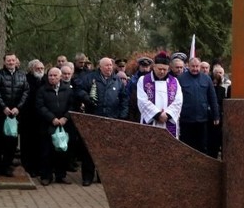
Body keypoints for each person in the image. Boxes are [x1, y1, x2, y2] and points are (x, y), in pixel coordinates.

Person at [75, 57, 127, 185]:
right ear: (100, 67)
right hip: (93, 118)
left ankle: (102, 176)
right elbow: (79, 90)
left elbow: (124, 99)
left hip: (111, 120)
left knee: (106, 151)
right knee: (89, 150)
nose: (109, 68)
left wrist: (122, 115)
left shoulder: (117, 81)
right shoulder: (90, 78)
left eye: (111, 65)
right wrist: (87, 98)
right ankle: (87, 177)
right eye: (107, 65)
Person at [0, 53, 30, 177]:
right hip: (0, 114)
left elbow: (26, 91)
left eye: (13, 60)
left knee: (11, 143)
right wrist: (4, 107)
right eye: (8, 60)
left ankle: (6, 167)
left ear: (16, 61)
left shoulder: (22, 75)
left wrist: (18, 108)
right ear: (4, 62)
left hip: (15, 115)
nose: (11, 62)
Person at [36, 67, 76, 185]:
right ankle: (46, 176)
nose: (52, 78)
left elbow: (72, 106)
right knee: (46, 152)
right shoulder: (42, 90)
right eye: (50, 76)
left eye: (55, 76)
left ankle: (61, 175)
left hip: (63, 125)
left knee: (62, 151)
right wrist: (52, 118)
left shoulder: (68, 90)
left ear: (60, 77)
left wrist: (65, 117)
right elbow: (40, 106)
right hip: (48, 125)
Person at [177, 55, 219, 154]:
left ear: (200, 66)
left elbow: (212, 98)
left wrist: (216, 115)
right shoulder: (180, 79)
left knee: (202, 146)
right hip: (186, 119)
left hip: (202, 119)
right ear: (188, 66)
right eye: (193, 66)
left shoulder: (206, 79)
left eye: (197, 66)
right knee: (186, 146)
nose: (195, 69)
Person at [137, 52, 183, 138]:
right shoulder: (143, 80)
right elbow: (142, 101)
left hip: (168, 121)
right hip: (151, 121)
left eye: (165, 69)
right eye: (159, 69)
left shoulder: (174, 82)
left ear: (168, 68)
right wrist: (157, 115)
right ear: (154, 66)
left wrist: (168, 115)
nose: (162, 72)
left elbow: (178, 101)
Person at [20, 59, 47, 177]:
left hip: (43, 117)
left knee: (41, 143)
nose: (40, 71)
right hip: (28, 116)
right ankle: (29, 167)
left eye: (42, 68)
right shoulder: (26, 80)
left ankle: (40, 167)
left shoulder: (46, 80)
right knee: (28, 143)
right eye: (38, 69)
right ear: (31, 69)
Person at [207, 65, 227, 158]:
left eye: (216, 81)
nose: (214, 83)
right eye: (213, 81)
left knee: (216, 138)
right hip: (207, 117)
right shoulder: (207, 89)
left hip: (218, 117)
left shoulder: (222, 90)